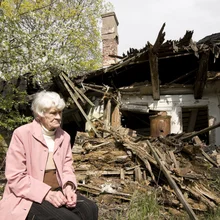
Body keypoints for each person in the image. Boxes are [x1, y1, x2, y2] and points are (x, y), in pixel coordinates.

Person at [0, 90, 98, 220]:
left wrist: (69, 187)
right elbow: (15, 176)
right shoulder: (22, 134)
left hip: (59, 191)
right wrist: (46, 193)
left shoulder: (64, 136)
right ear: (40, 114)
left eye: (60, 112)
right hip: (28, 195)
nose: (58, 117)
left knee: (89, 208)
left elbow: (67, 167)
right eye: (53, 113)